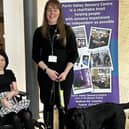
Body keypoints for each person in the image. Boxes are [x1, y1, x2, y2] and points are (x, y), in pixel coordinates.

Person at [32, 0, 78, 129]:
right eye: (49, 10)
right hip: (46, 76)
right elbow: (35, 56)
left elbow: (74, 54)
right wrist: (47, 71)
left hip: (64, 77)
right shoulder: (39, 32)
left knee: (62, 106)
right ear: (45, 12)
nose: (52, 13)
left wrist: (65, 72)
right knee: (47, 106)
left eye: (55, 10)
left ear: (60, 12)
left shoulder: (67, 31)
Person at [0, 50, 34, 129]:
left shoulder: (9, 73)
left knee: (27, 114)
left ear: (6, 61)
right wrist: (2, 100)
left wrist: (11, 93)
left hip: (11, 99)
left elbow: (16, 90)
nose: (0, 63)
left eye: (2, 60)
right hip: (1, 103)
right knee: (15, 118)